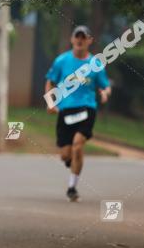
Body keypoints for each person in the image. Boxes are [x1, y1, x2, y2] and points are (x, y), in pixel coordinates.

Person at [44, 25, 111, 201]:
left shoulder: (95, 64)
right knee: (66, 154)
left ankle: (72, 187)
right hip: (66, 110)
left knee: (78, 145)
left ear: (90, 41)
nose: (80, 40)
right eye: (77, 36)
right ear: (72, 39)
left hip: (87, 108)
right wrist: (51, 102)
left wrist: (105, 93)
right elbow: (50, 82)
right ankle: (71, 161)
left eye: (84, 37)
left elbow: (105, 85)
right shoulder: (61, 61)